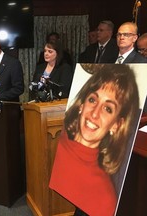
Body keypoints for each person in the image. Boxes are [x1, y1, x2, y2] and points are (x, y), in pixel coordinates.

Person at [49, 64, 140, 216]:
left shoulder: (105, 196)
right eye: (93, 100)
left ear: (116, 125)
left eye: (108, 108)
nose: (95, 113)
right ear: (82, 104)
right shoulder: (60, 142)